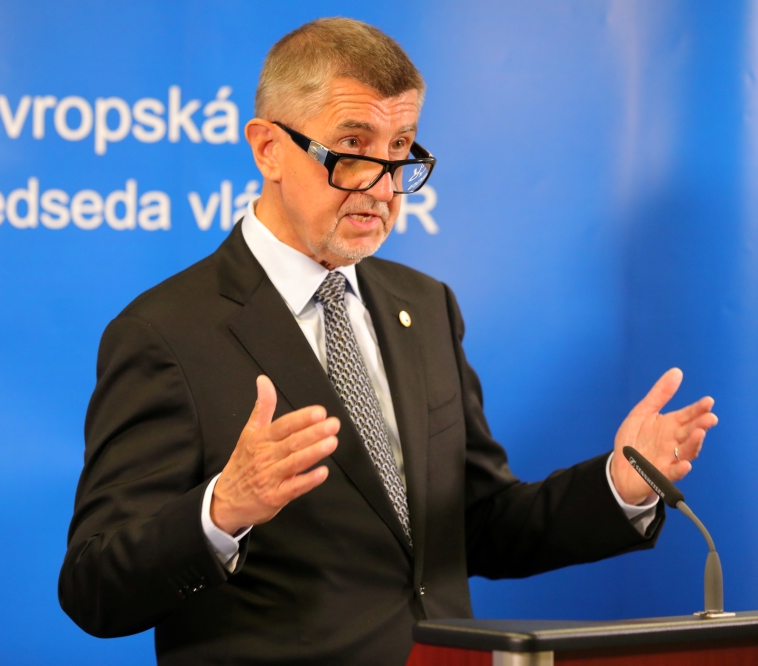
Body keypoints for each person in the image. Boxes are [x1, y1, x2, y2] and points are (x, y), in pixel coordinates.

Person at [58, 18, 718, 666]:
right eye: (352, 148)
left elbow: (478, 524)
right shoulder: (166, 333)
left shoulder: (425, 307)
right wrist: (222, 510)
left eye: (400, 148)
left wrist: (620, 485)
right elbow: (94, 587)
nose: (382, 186)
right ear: (268, 149)